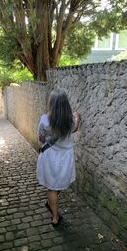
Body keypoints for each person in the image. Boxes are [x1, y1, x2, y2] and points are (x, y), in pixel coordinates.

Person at [37, 89, 80, 226]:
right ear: (65, 104)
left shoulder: (44, 120)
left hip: (50, 157)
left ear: (52, 103)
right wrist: (78, 119)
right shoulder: (71, 120)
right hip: (65, 157)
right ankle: (53, 206)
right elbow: (74, 129)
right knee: (60, 183)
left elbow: (41, 138)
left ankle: (55, 217)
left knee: (52, 187)